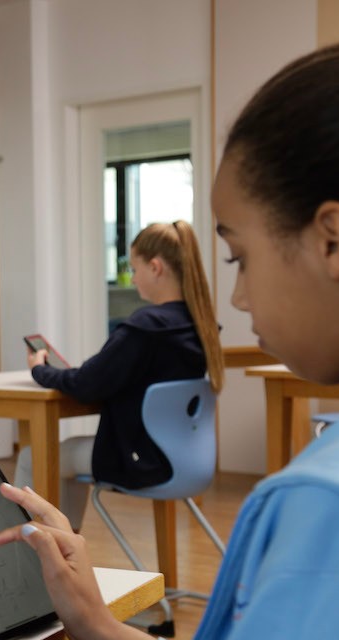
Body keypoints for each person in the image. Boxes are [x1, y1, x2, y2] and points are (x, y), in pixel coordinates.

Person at [0, 41, 339, 640]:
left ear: (333, 239)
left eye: (240, 257)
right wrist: (96, 627)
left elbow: (88, 379)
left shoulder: (329, 503)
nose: (238, 293)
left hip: (136, 457)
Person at [16, 219, 225, 530]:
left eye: (135, 267)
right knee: (67, 454)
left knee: (35, 457)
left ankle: (35, 555)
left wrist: (40, 369)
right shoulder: (200, 324)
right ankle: (65, 545)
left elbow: (85, 385)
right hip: (189, 462)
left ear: (155, 267)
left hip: (139, 460)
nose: (134, 277)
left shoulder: (145, 326)